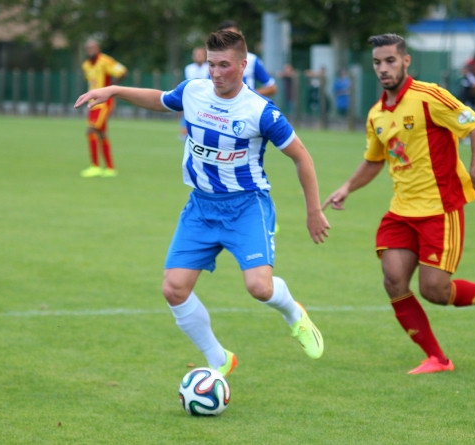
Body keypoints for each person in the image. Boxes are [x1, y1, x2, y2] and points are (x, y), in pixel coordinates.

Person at [74, 31, 330, 376]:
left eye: (224, 65)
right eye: (211, 64)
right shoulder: (194, 91)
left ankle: (295, 315)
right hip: (201, 208)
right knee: (174, 289)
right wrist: (114, 90)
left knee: (259, 287)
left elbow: (302, 158)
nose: (216, 72)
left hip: (246, 207)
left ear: (242, 65)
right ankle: (219, 359)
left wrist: (313, 211)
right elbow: (160, 99)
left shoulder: (261, 112)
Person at [322, 33, 475, 375]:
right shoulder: (376, 115)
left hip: (440, 210)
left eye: (389, 61)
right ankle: (438, 359)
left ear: (405, 60)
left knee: (434, 290)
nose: (383, 69)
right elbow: (374, 160)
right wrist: (346, 187)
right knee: (394, 280)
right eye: (377, 63)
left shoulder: (429, 97)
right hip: (401, 212)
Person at [80, 39, 128, 178]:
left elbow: (123, 72)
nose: (91, 50)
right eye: (88, 48)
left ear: (98, 48)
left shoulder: (105, 61)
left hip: (104, 104)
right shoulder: (86, 65)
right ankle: (110, 168)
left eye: (93, 47)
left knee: (90, 131)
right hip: (93, 103)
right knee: (102, 134)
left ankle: (95, 166)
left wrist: (111, 88)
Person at [217, 20, 277, 97]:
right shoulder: (215, 62)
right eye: (226, 37)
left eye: (233, 35)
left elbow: (272, 87)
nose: (230, 39)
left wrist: (249, 95)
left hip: (246, 107)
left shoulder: (252, 60)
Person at [179, 47, 209, 140]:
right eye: (197, 55)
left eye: (201, 55)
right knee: (184, 130)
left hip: (204, 102)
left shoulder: (209, 68)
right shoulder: (189, 68)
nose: (199, 57)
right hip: (190, 102)